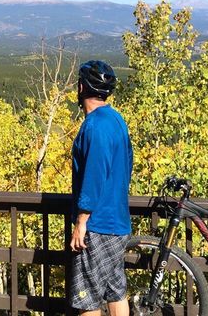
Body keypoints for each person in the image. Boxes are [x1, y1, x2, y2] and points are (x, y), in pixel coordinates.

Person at [70, 60, 133, 316]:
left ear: (82, 87)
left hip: (98, 225)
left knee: (87, 298)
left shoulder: (94, 126)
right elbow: (127, 166)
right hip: (119, 223)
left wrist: (81, 220)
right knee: (115, 291)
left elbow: (93, 176)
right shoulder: (117, 120)